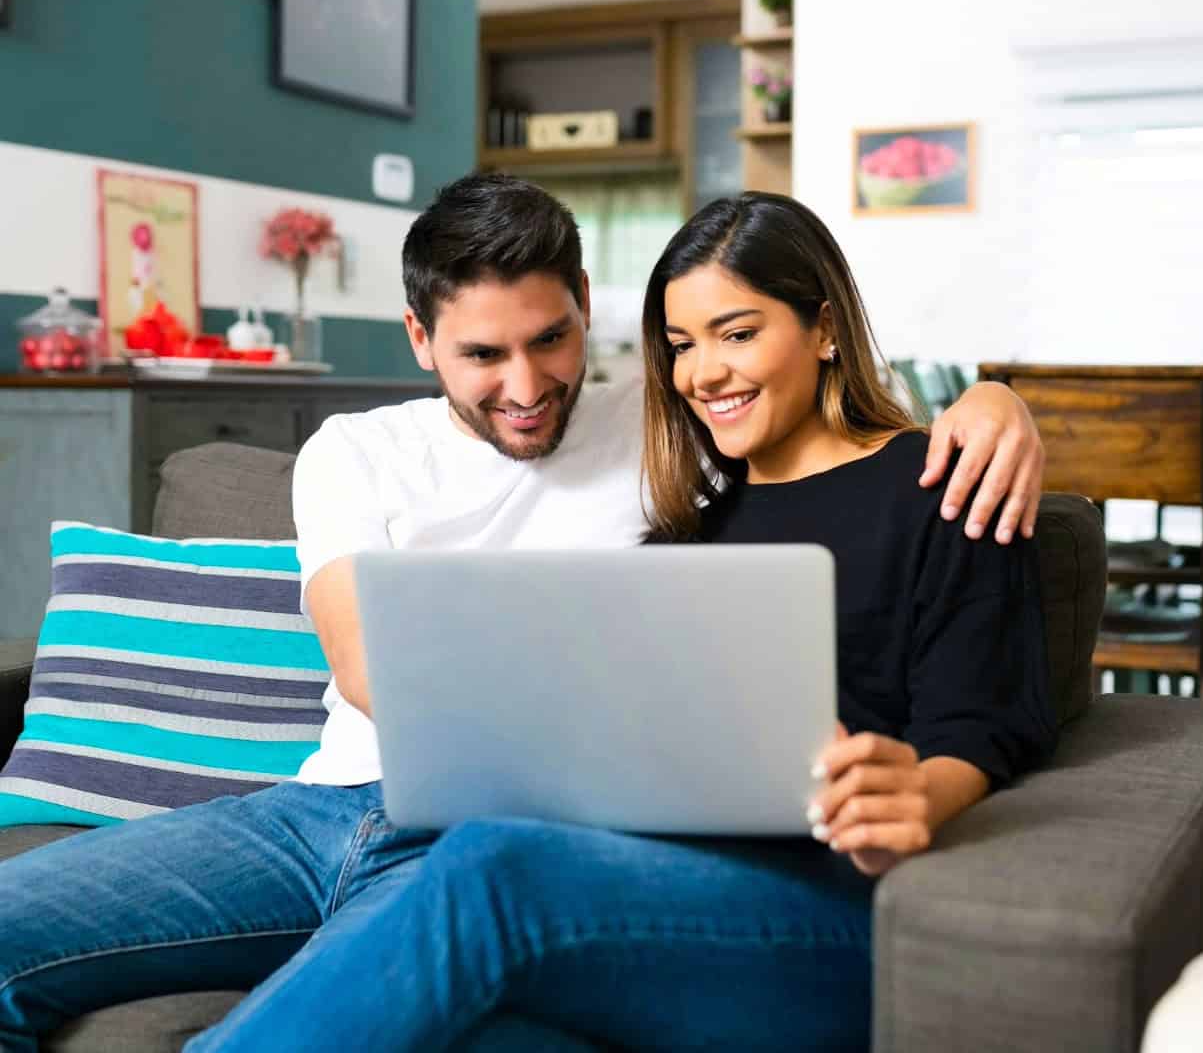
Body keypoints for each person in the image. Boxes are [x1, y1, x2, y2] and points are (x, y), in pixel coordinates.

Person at [0, 176, 1046, 1051]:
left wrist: (1000, 398)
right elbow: (382, 675)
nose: (527, 385)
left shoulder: (740, 457)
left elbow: (978, 716)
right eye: (685, 342)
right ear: (420, 337)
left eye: (550, 340)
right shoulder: (681, 482)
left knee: (491, 862)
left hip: (615, 861)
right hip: (370, 815)